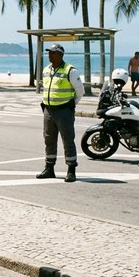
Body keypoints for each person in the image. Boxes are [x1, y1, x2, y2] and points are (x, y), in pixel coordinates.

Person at [36, 43, 84, 183]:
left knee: (68, 140)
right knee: (48, 140)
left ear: (60, 55)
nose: (50, 55)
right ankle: (49, 168)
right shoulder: (46, 70)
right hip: (49, 111)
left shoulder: (71, 70)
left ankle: (71, 170)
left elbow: (80, 91)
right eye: (49, 52)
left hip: (64, 111)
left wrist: (71, 105)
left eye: (53, 52)